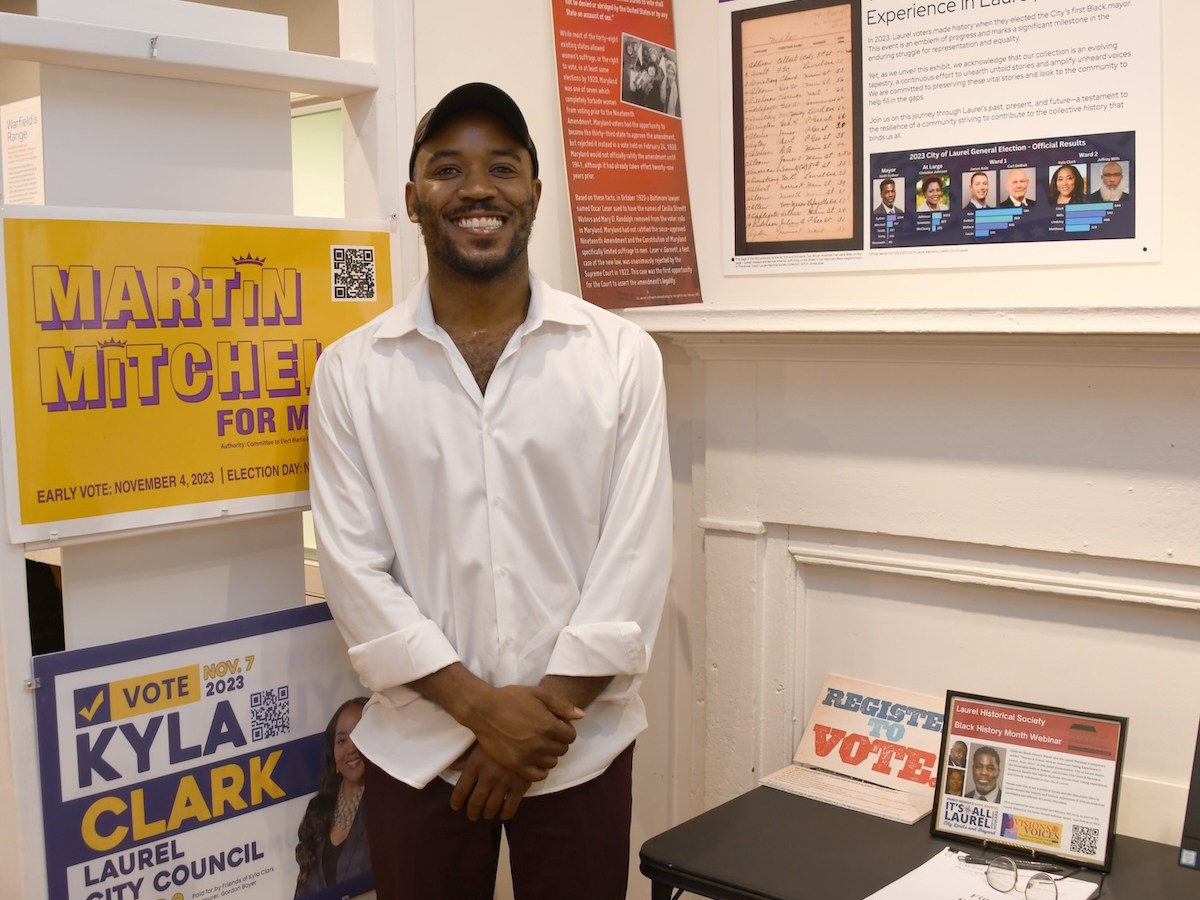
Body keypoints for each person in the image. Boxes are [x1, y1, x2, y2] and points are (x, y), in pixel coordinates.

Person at [308, 82, 673, 900]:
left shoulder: (619, 356)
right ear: (412, 199)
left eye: (502, 167)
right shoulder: (351, 373)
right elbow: (354, 573)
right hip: (417, 750)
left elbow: (636, 552)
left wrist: (528, 733)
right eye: (447, 168)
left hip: (576, 748)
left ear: (534, 194)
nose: (477, 189)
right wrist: (484, 714)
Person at [294, 697, 371, 897]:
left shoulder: (388, 807)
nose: (351, 748)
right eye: (342, 740)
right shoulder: (318, 809)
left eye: (360, 735)